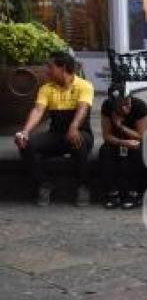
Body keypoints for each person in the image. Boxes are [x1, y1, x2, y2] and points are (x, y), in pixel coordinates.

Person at [14, 51, 94, 207]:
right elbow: (38, 110)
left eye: (50, 67)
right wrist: (25, 132)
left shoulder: (84, 85)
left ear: (62, 68)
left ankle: (83, 186)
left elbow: (83, 109)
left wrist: (74, 127)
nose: (47, 71)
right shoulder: (46, 88)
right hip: (57, 135)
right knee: (26, 143)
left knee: (79, 141)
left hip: (80, 132)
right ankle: (43, 184)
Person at [99, 85, 147, 209]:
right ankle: (112, 192)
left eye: (127, 103)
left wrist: (120, 126)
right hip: (118, 141)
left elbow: (142, 136)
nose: (125, 107)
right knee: (105, 151)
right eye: (120, 105)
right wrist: (122, 142)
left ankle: (134, 193)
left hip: (136, 140)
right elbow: (106, 135)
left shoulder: (139, 106)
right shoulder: (107, 107)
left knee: (138, 152)